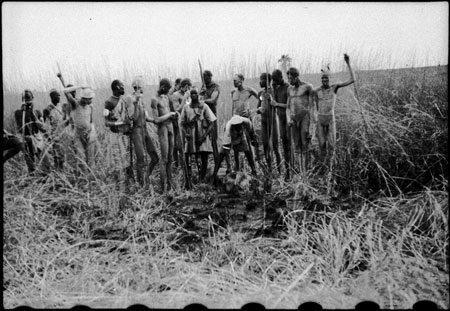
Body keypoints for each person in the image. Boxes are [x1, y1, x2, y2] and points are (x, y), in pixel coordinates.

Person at [313, 54, 355, 164]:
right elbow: (312, 104)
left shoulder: (334, 87)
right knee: (322, 145)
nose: (324, 80)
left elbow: (352, 79)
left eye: (326, 77)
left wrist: (348, 63)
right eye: (322, 78)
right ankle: (323, 167)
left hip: (330, 120)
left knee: (332, 146)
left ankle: (331, 169)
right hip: (321, 120)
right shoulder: (316, 91)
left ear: (330, 78)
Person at [126, 76, 160, 186]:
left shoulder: (141, 100)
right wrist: (135, 103)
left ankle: (146, 177)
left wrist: (156, 120)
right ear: (137, 87)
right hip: (136, 132)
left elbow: (146, 117)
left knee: (155, 158)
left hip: (144, 130)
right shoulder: (130, 98)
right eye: (141, 87)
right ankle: (141, 184)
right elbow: (133, 118)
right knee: (141, 160)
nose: (142, 90)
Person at [180, 87, 217, 182]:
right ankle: (190, 179)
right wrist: (186, 133)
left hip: (202, 135)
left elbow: (212, 121)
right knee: (190, 158)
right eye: (191, 94)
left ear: (198, 95)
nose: (193, 95)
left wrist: (204, 136)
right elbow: (182, 122)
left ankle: (202, 179)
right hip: (191, 136)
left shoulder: (204, 107)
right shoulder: (186, 108)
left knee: (204, 158)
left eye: (195, 93)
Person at [14, 90, 51, 175]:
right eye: (25, 99)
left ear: (32, 99)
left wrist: (32, 114)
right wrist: (23, 112)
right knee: (31, 165)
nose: (27, 101)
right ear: (22, 100)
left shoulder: (37, 112)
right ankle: (32, 180)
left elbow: (43, 128)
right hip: (27, 139)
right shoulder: (18, 113)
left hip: (37, 139)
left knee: (45, 162)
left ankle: (46, 179)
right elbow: (20, 129)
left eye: (29, 98)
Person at [104, 79, 133, 190]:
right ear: (116, 87)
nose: (123, 88)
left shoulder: (123, 100)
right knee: (117, 162)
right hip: (115, 136)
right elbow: (106, 123)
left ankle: (127, 185)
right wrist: (121, 122)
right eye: (122, 86)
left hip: (124, 135)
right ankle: (118, 187)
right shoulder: (109, 102)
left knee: (126, 161)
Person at [61, 84, 97, 173]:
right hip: (78, 135)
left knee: (91, 158)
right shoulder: (75, 104)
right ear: (84, 98)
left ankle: (92, 178)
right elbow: (65, 91)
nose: (91, 100)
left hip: (89, 134)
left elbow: (91, 121)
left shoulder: (90, 107)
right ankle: (83, 177)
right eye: (90, 98)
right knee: (81, 157)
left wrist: (92, 131)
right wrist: (79, 86)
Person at [211, 115, 258, 183]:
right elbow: (225, 150)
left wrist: (253, 139)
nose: (237, 127)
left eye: (239, 125)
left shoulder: (246, 122)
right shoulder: (228, 129)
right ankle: (214, 175)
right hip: (232, 138)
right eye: (236, 126)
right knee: (221, 154)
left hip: (241, 136)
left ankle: (254, 171)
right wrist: (228, 165)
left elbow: (251, 131)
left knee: (248, 152)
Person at [151, 78, 178, 193]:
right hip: (162, 129)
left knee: (170, 158)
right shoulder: (154, 99)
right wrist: (170, 115)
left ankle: (170, 183)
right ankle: (164, 187)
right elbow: (156, 119)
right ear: (162, 87)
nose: (168, 91)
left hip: (170, 127)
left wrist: (174, 115)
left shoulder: (166, 97)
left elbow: (168, 113)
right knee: (164, 159)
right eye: (167, 89)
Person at [286, 67, 315, 173]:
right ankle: (301, 169)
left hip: (304, 116)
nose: (289, 81)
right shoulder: (290, 89)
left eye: (290, 78)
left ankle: (308, 169)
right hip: (294, 119)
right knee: (296, 144)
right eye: (288, 78)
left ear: (296, 77)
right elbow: (288, 106)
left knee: (305, 142)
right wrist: (289, 118)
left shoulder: (307, 87)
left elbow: (312, 106)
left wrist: (312, 125)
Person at [256, 72, 281, 173]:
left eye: (262, 79)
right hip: (264, 122)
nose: (260, 81)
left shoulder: (274, 91)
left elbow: (276, 105)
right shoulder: (260, 94)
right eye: (260, 79)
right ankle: (269, 170)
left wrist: (271, 100)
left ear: (267, 81)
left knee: (276, 146)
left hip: (273, 121)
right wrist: (259, 109)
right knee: (266, 145)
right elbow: (257, 108)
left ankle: (280, 171)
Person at [269, 69, 291, 180]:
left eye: (276, 80)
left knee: (289, 146)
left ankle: (290, 171)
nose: (275, 82)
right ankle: (287, 171)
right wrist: (273, 88)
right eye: (273, 81)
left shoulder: (288, 88)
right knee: (284, 145)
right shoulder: (277, 88)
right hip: (280, 119)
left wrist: (277, 104)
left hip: (287, 118)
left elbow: (290, 105)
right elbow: (274, 103)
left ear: (280, 77)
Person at [199, 70, 220, 161]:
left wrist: (204, 97)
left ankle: (217, 160)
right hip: (203, 116)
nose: (204, 80)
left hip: (212, 115)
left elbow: (212, 100)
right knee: (203, 138)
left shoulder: (215, 87)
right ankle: (205, 163)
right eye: (203, 78)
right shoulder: (202, 87)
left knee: (214, 139)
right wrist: (200, 93)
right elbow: (198, 100)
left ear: (210, 77)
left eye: (206, 78)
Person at [47, 89, 68, 170]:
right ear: (52, 97)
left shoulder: (61, 107)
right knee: (56, 154)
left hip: (62, 133)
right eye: (57, 96)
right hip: (54, 134)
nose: (59, 97)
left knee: (62, 154)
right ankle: (57, 171)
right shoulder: (48, 109)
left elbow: (63, 120)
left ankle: (60, 170)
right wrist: (50, 136)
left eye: (59, 95)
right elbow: (47, 124)